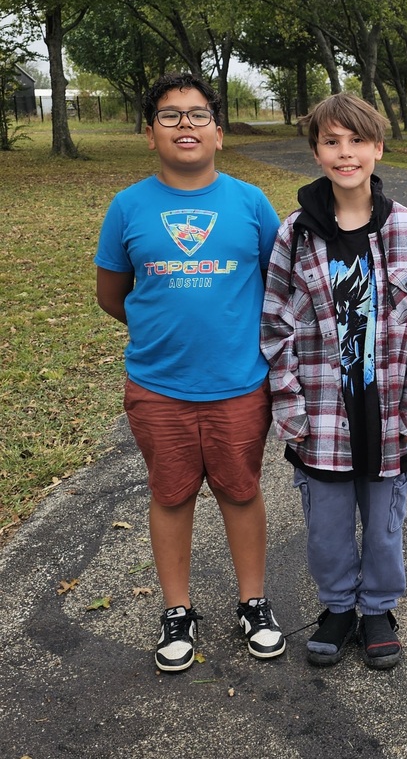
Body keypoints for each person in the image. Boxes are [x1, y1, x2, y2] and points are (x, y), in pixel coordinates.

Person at [94, 72, 285, 673]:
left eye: (198, 114)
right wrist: (165, 331)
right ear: (149, 134)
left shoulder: (251, 204)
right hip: (159, 386)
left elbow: (277, 287)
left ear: (219, 133)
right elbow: (111, 294)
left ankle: (253, 602)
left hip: (239, 382)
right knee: (171, 495)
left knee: (240, 489)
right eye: (170, 115)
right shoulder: (128, 207)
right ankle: (177, 611)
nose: (185, 125)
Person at [260, 93, 407, 670]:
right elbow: (275, 324)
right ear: (316, 151)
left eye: (357, 141)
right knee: (327, 523)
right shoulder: (295, 234)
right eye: (332, 142)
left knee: (385, 524)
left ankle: (378, 610)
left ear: (378, 148)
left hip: (390, 417)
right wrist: (291, 412)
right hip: (321, 416)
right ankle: (338, 606)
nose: (346, 153)